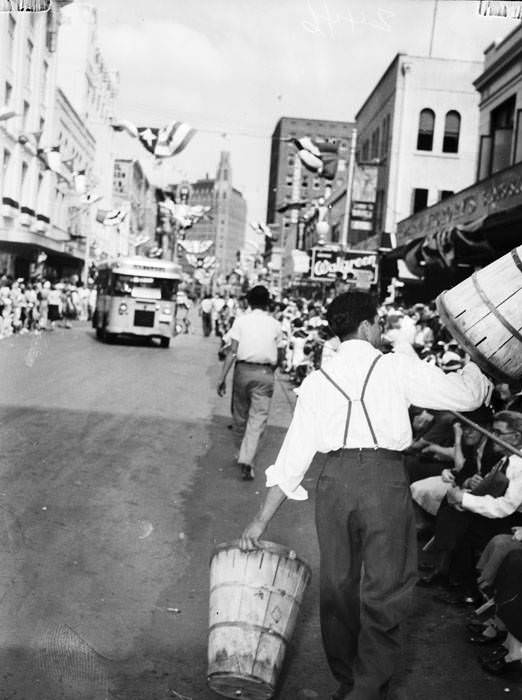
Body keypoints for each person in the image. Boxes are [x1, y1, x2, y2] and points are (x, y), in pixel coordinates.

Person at [239, 291, 491, 700]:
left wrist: (260, 521)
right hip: (384, 480)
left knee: (338, 586)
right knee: (385, 588)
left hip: (334, 482)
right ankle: (367, 689)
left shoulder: (317, 381)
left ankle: (347, 681)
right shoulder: (396, 367)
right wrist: (478, 359)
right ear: (368, 327)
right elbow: (468, 396)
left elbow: (292, 461)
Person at [216, 285, 283, 482]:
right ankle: (247, 459)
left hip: (243, 371)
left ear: (249, 301)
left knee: (240, 416)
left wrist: (222, 378)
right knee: (258, 418)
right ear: (268, 302)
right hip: (265, 373)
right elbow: (280, 354)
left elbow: (233, 352)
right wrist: (271, 369)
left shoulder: (241, 321)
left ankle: (242, 454)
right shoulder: (275, 324)